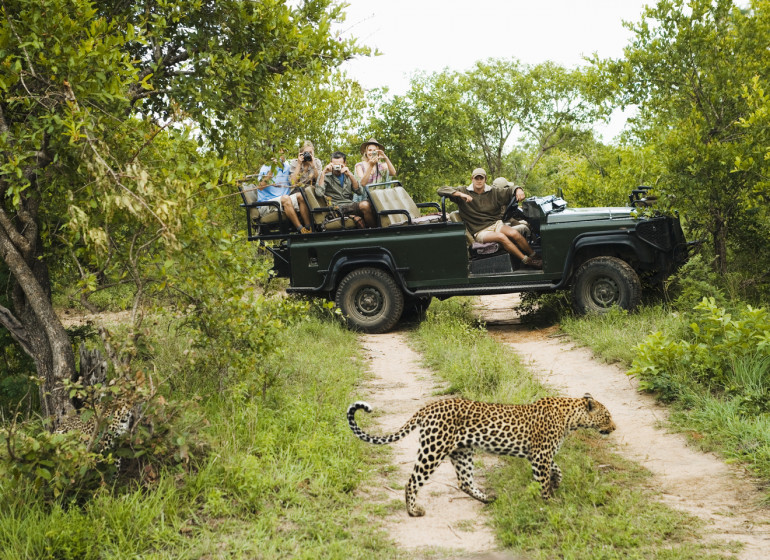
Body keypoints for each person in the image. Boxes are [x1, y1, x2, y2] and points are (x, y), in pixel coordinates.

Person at [437, 168, 542, 268]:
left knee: (514, 233)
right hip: (480, 231)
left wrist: (518, 189)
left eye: (481, 178)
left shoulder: (493, 192)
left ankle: (534, 256)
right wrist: (460, 195)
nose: (479, 181)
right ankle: (527, 261)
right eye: (476, 178)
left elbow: (509, 190)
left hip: (495, 224)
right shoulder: (464, 191)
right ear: (472, 179)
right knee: (501, 237)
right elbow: (441, 190)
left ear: (485, 179)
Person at [255, 152, 312, 234]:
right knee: (286, 198)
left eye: (284, 153)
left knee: (300, 196)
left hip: (284, 201)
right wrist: (272, 169)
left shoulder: (287, 167)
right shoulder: (266, 167)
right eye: (280, 153)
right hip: (267, 204)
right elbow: (260, 187)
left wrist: (299, 164)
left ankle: (309, 228)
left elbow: (294, 183)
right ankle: (301, 230)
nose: (282, 156)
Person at [316, 151, 376, 228]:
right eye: (334, 164)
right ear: (330, 163)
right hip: (336, 207)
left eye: (339, 165)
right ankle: (374, 232)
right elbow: (319, 193)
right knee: (364, 205)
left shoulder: (347, 175)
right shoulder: (324, 176)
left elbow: (360, 191)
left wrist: (350, 175)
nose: (337, 167)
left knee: (373, 204)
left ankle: (379, 229)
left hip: (350, 205)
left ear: (345, 164)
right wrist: (323, 172)